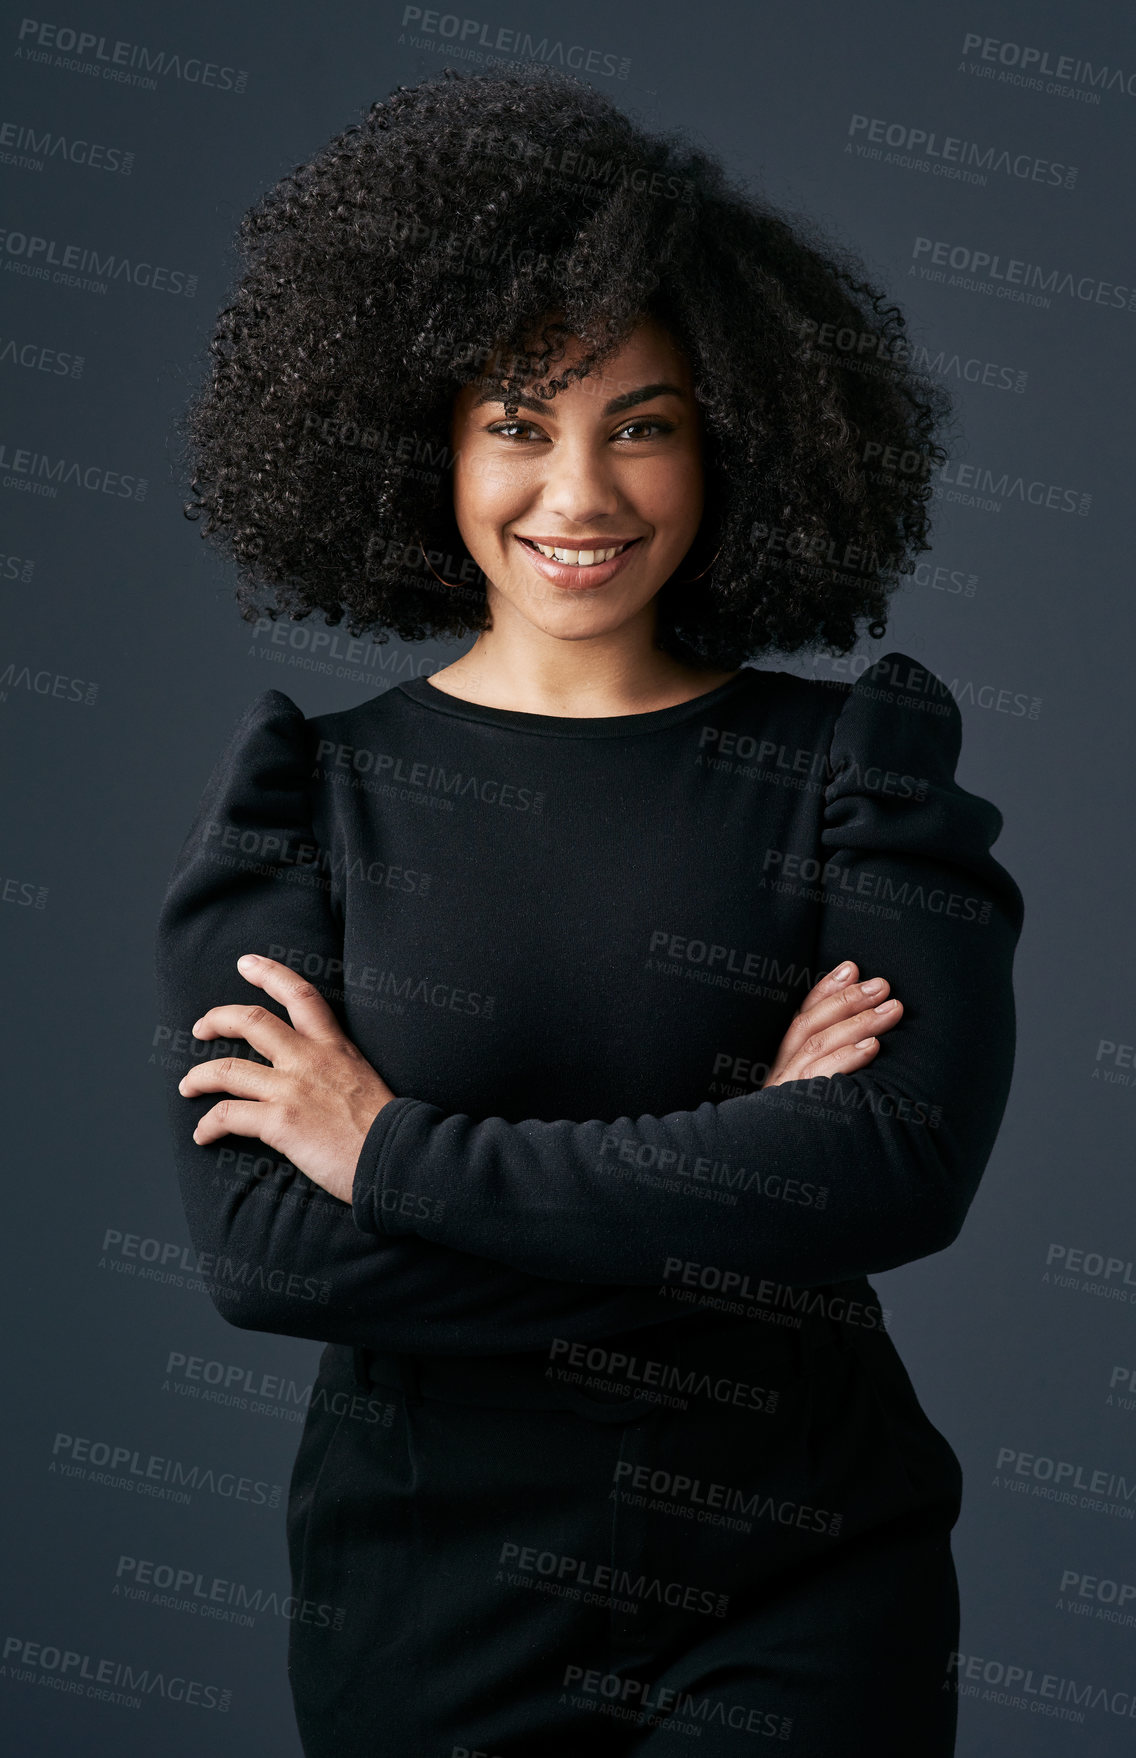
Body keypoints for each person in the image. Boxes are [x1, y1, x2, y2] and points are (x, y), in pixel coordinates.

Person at [154, 64, 1024, 1756]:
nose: (583, 493)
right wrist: (746, 1188)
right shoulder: (304, 799)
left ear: (731, 439)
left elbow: (899, 1165)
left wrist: (399, 1155)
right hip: (424, 1611)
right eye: (519, 423)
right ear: (430, 442)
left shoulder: (860, 770)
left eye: (642, 422)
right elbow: (263, 1252)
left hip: (805, 1574)